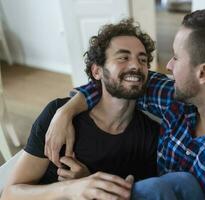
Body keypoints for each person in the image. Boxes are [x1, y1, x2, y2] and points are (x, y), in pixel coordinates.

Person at [44, 9, 205, 199]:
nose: (168, 66)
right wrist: (67, 109)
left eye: (176, 57)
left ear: (203, 73)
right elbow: (118, 80)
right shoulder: (179, 99)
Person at [1, 19, 190, 200]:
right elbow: (9, 195)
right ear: (97, 71)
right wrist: (71, 189)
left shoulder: (150, 136)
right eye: (123, 57)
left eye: (142, 60)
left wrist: (88, 180)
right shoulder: (59, 114)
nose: (136, 65)